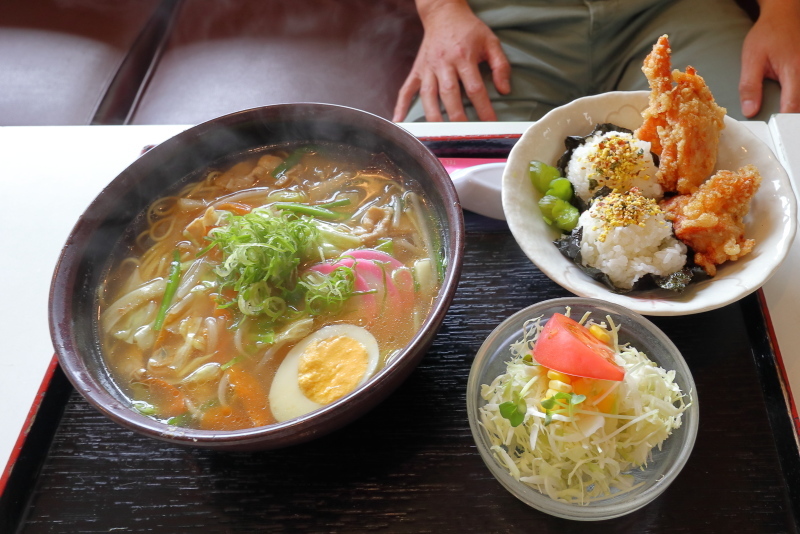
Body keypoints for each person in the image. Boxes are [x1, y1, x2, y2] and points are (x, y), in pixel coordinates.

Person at [392, 0, 800, 123]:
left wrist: (784, 12)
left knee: (772, 146)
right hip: (502, 18)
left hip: (677, 9)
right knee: (442, 174)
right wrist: (440, 9)